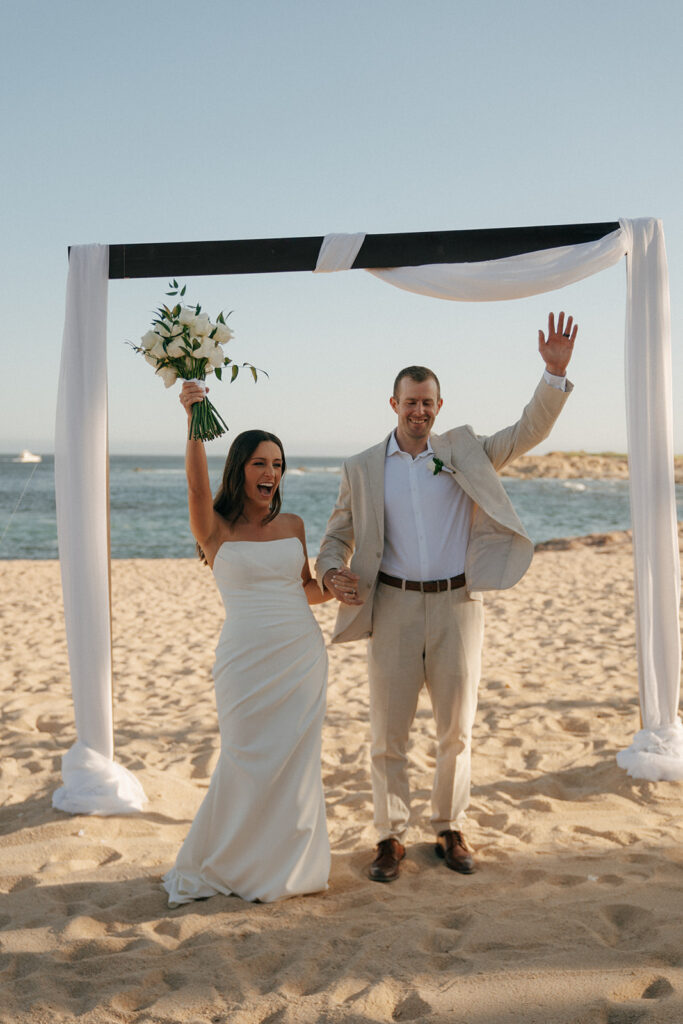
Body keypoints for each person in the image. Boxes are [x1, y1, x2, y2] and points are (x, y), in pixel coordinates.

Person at [316, 312, 578, 882]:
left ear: (440, 404)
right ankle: (389, 836)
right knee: (388, 732)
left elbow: (526, 431)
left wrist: (553, 375)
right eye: (410, 402)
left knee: (456, 729)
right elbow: (337, 534)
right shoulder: (362, 467)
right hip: (393, 607)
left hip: (459, 607)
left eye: (428, 402)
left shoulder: (464, 451)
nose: (419, 411)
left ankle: (449, 826)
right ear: (393, 405)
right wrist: (331, 569)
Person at [163, 381, 334, 905]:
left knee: (296, 764)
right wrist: (194, 418)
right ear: (239, 468)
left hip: (300, 657)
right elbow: (195, 490)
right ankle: (231, 861)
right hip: (244, 661)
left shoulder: (294, 525)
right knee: (242, 756)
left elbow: (304, 588)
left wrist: (335, 585)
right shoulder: (214, 528)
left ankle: (289, 867)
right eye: (260, 463)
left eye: (278, 465)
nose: (271, 473)